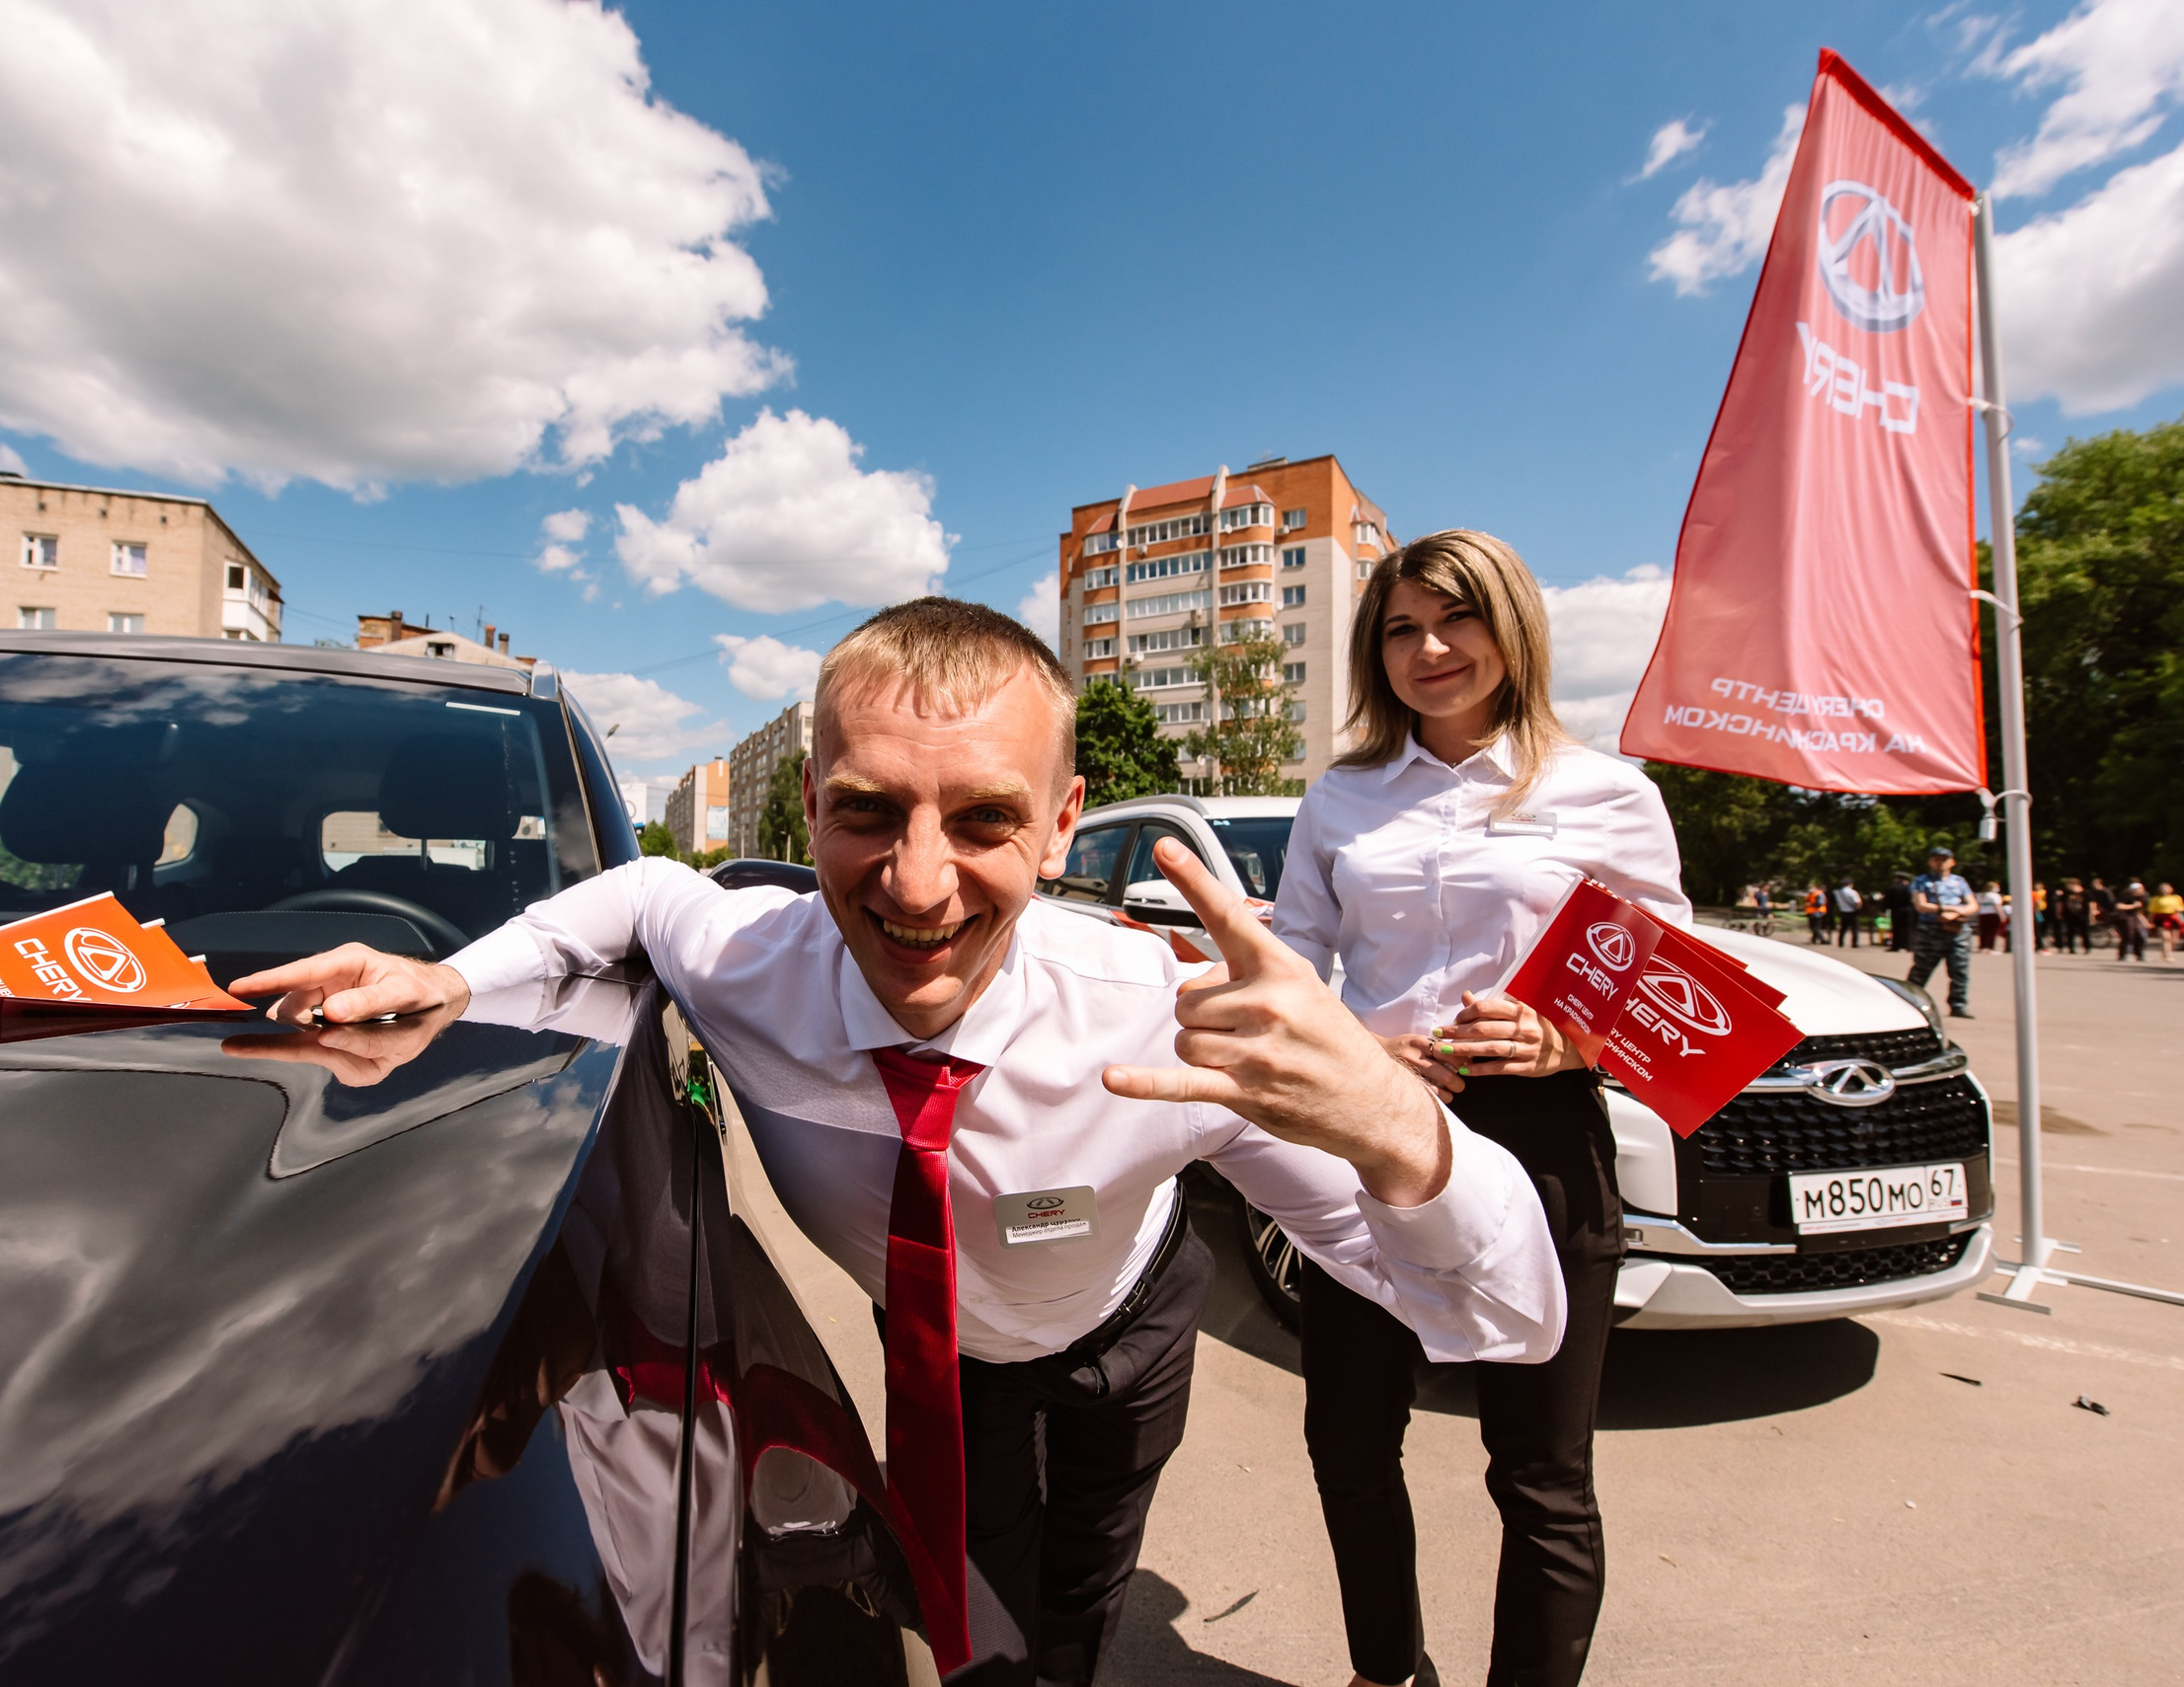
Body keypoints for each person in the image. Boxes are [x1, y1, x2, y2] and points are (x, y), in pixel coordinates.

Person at [231, 599, 1563, 1687]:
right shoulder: (745, 954)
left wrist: (1404, 1133)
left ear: (1061, 825)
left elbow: (1514, 1317)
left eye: (984, 819)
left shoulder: (1169, 1021)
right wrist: (454, 979)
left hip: (1124, 1328)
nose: (917, 886)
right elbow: (639, 897)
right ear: (807, 800)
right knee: (978, 1588)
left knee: (1087, 1579)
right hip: (941, 1351)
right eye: (868, 812)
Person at [1274, 531, 1690, 1687]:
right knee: (1349, 1441)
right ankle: (1386, 1669)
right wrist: (1359, 1042)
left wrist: (1573, 1034)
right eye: (1401, 628)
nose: (1430, 648)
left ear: (1510, 627)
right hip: (1375, 1136)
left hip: (1544, 1141)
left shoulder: (1606, 791)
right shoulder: (1342, 796)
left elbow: (1670, 990)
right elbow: (1294, 957)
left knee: (1540, 1472)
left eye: (1454, 618)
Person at [1908, 844, 1976, 1019]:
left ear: (1952, 862)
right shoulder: (1921, 881)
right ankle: (1909, 1002)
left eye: (1944, 859)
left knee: (1959, 970)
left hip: (1957, 930)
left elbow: (1972, 905)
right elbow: (1921, 905)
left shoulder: (1959, 881)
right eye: (1936, 859)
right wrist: (1943, 911)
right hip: (1931, 930)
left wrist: (1953, 913)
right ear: (1930, 861)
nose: (1940, 863)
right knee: (1921, 969)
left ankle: (1958, 1004)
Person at [2114, 879, 2149, 962]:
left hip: (2134, 917)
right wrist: (2132, 906)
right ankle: (2123, 954)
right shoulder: (2126, 896)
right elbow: (2118, 906)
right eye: (2138, 890)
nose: (2140, 891)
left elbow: (2139, 912)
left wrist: (2145, 922)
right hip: (2124, 917)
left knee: (2139, 936)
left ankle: (2139, 954)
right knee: (2128, 936)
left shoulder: (2142, 898)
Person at [1884, 872, 1916, 953]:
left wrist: (1884, 909)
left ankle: (1896, 946)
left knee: (1896, 928)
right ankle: (1909, 946)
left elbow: (1887, 900)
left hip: (1896, 910)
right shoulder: (1910, 888)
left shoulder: (1892, 888)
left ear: (1897, 879)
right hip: (1908, 910)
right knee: (1908, 928)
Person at [2150, 882, 2182, 963]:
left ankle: (2165, 954)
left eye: (2167, 888)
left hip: (2173, 918)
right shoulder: (2156, 899)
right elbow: (2152, 911)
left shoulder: (2176, 898)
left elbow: (2181, 908)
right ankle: (2168, 956)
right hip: (2161, 918)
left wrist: (2179, 910)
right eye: (2163, 889)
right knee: (2166, 937)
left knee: (2174, 940)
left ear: (2171, 889)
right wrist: (2150, 922)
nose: (2165, 890)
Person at [1833, 877, 1864, 948]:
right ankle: (1854, 943)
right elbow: (1857, 902)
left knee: (1843, 928)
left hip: (1843, 911)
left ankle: (1840, 942)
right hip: (1852, 912)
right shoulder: (1852, 892)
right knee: (1855, 928)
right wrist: (1859, 908)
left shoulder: (1838, 892)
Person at [1976, 881, 2005, 953]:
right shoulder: (1995, 895)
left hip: (1982, 914)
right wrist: (2002, 916)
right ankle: (1989, 947)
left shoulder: (1980, 895)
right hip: (1992, 914)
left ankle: (1983, 946)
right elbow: (1998, 907)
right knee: (1991, 931)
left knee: (1983, 931)